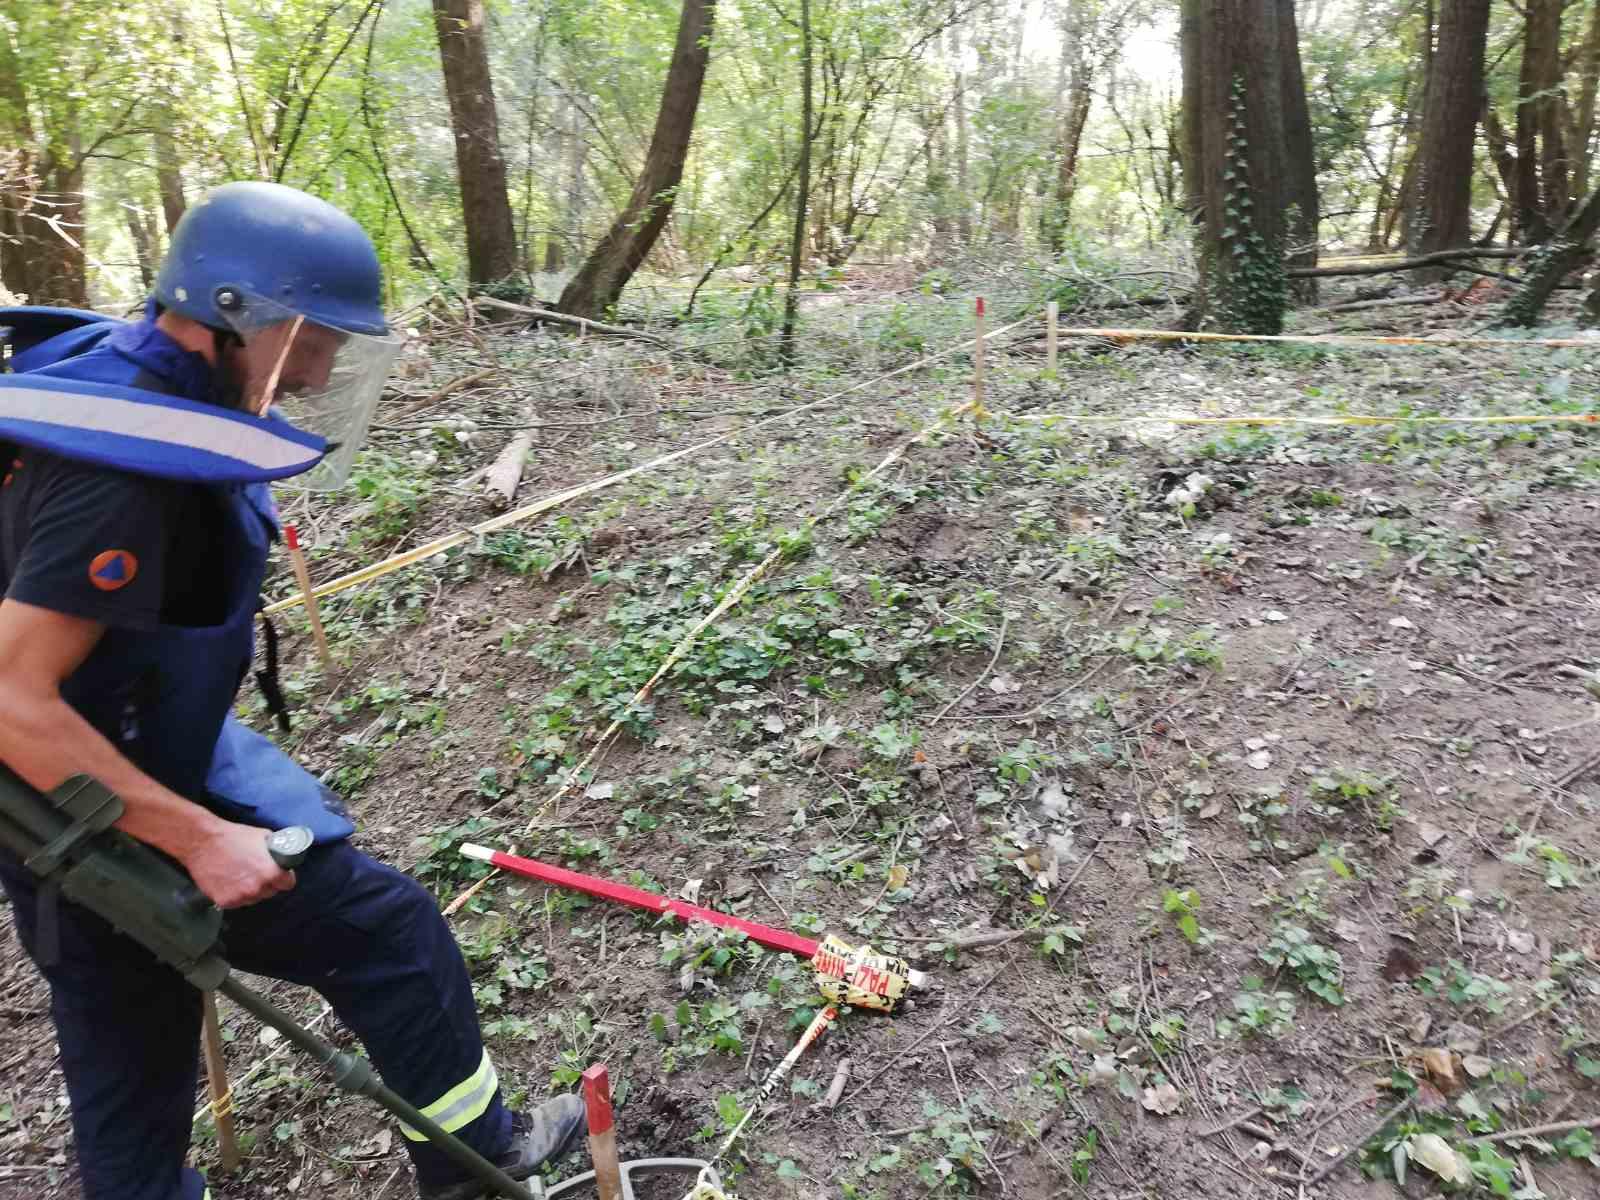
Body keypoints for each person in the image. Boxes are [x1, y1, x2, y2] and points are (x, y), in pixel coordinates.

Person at [0, 181, 583, 1200]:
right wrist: (199, 840)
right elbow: (7, 701)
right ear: (231, 314)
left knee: (131, 1074)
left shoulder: (145, 376)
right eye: (309, 338)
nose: (317, 372)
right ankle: (474, 1163)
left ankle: (469, 1154)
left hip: (136, 748)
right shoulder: (118, 471)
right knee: (381, 936)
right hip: (85, 823)